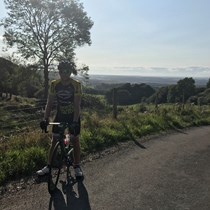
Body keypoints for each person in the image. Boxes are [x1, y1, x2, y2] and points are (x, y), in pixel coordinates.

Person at [36, 61, 83, 178]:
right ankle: (48, 166)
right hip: (60, 115)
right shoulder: (54, 84)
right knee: (54, 141)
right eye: (62, 71)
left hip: (73, 115)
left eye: (67, 71)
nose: (64, 74)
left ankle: (77, 166)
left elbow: (77, 105)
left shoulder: (76, 84)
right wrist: (45, 119)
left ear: (70, 72)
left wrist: (75, 121)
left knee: (75, 140)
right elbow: (50, 102)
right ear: (59, 72)